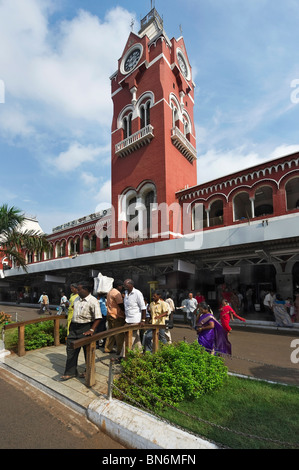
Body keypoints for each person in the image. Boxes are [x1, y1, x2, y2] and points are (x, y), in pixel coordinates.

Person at [60, 280, 101, 381]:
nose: (77, 291)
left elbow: (98, 317)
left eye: (79, 289)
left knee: (87, 350)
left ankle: (89, 370)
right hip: (74, 327)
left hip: (86, 327)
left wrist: (92, 329)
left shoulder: (93, 301)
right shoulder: (77, 299)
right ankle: (71, 372)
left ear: (86, 290)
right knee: (70, 349)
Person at [120, 278, 146, 356]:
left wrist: (143, 320)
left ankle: (123, 356)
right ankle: (139, 353)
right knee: (136, 338)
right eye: (124, 285)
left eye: (126, 285)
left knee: (128, 338)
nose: (125, 287)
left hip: (135, 320)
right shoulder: (125, 293)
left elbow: (143, 308)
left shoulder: (137, 293)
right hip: (128, 320)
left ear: (131, 285)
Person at [104, 280, 125, 355]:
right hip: (116, 315)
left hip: (109, 314)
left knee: (110, 332)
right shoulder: (117, 293)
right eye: (121, 286)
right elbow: (120, 304)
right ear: (118, 286)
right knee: (119, 334)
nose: (122, 287)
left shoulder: (110, 292)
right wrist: (125, 311)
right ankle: (120, 350)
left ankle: (107, 348)